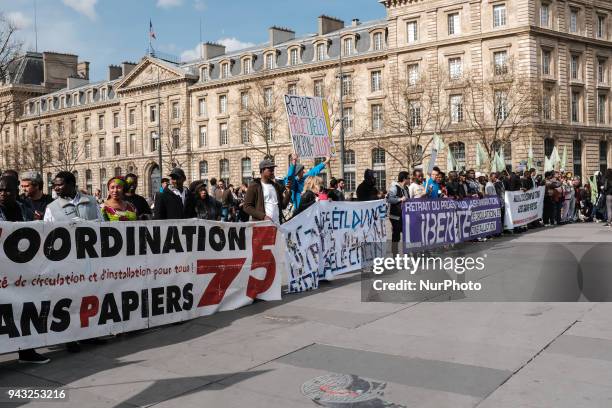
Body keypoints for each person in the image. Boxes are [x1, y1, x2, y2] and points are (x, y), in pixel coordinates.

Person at [0, 176, 48, 364]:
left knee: (26, 310)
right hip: (3, 271)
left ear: (16, 190)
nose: (3, 193)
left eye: (8, 190)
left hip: (22, 270)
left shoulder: (23, 208)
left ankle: (26, 351)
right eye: (0, 190)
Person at [244, 158, 291, 222]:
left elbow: (283, 206)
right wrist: (263, 216)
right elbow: (247, 207)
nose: (272, 172)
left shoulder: (276, 186)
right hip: (262, 225)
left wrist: (288, 192)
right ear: (262, 170)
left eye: (273, 170)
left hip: (277, 225)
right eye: (270, 170)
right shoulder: (254, 186)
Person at [387, 171, 410, 256]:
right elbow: (389, 199)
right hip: (395, 215)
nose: (410, 179)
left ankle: (405, 253)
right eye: (408, 178)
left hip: (404, 215)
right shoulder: (394, 187)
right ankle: (395, 254)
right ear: (404, 179)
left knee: (406, 234)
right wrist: (400, 199)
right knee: (396, 235)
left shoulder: (406, 188)